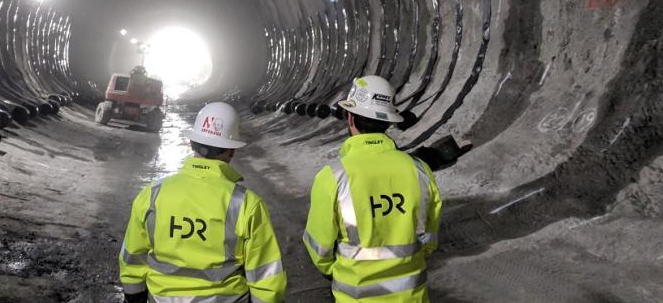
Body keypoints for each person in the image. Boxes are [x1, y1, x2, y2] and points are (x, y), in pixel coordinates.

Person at [119, 102, 287, 302]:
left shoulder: (152, 195)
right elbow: (265, 276)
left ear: (192, 144)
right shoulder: (246, 204)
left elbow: (132, 257)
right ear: (231, 151)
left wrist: (134, 297)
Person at [303, 76, 442, 302]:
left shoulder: (333, 176)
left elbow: (320, 249)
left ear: (350, 118)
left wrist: (340, 271)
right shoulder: (419, 171)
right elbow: (429, 240)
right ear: (388, 122)